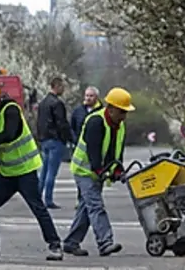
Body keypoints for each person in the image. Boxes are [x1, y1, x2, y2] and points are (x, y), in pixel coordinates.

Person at [0, 83, 63, 261]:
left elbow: (9, 135)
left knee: (38, 208)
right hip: (6, 173)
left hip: (25, 170)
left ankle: (54, 244)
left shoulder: (11, 110)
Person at [63, 86, 133, 257]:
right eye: (122, 112)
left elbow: (116, 151)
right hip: (84, 170)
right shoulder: (95, 121)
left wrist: (118, 169)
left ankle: (71, 242)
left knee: (86, 208)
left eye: (125, 112)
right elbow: (93, 152)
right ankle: (105, 242)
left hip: (95, 171)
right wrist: (101, 171)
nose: (124, 116)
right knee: (95, 206)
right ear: (111, 109)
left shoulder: (119, 125)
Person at [36, 77, 72, 209]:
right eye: (62, 87)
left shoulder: (42, 103)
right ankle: (48, 199)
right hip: (55, 140)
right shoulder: (57, 104)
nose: (64, 90)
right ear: (57, 86)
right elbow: (62, 123)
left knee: (44, 171)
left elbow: (39, 122)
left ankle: (37, 197)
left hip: (44, 139)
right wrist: (68, 138)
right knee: (52, 172)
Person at [70, 86, 103, 207]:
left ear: (96, 97)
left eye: (91, 96)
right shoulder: (78, 111)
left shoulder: (101, 112)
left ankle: (91, 199)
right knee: (81, 177)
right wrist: (75, 140)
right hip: (80, 149)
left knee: (94, 177)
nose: (88, 98)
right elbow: (72, 127)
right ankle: (81, 199)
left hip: (95, 149)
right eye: (87, 95)